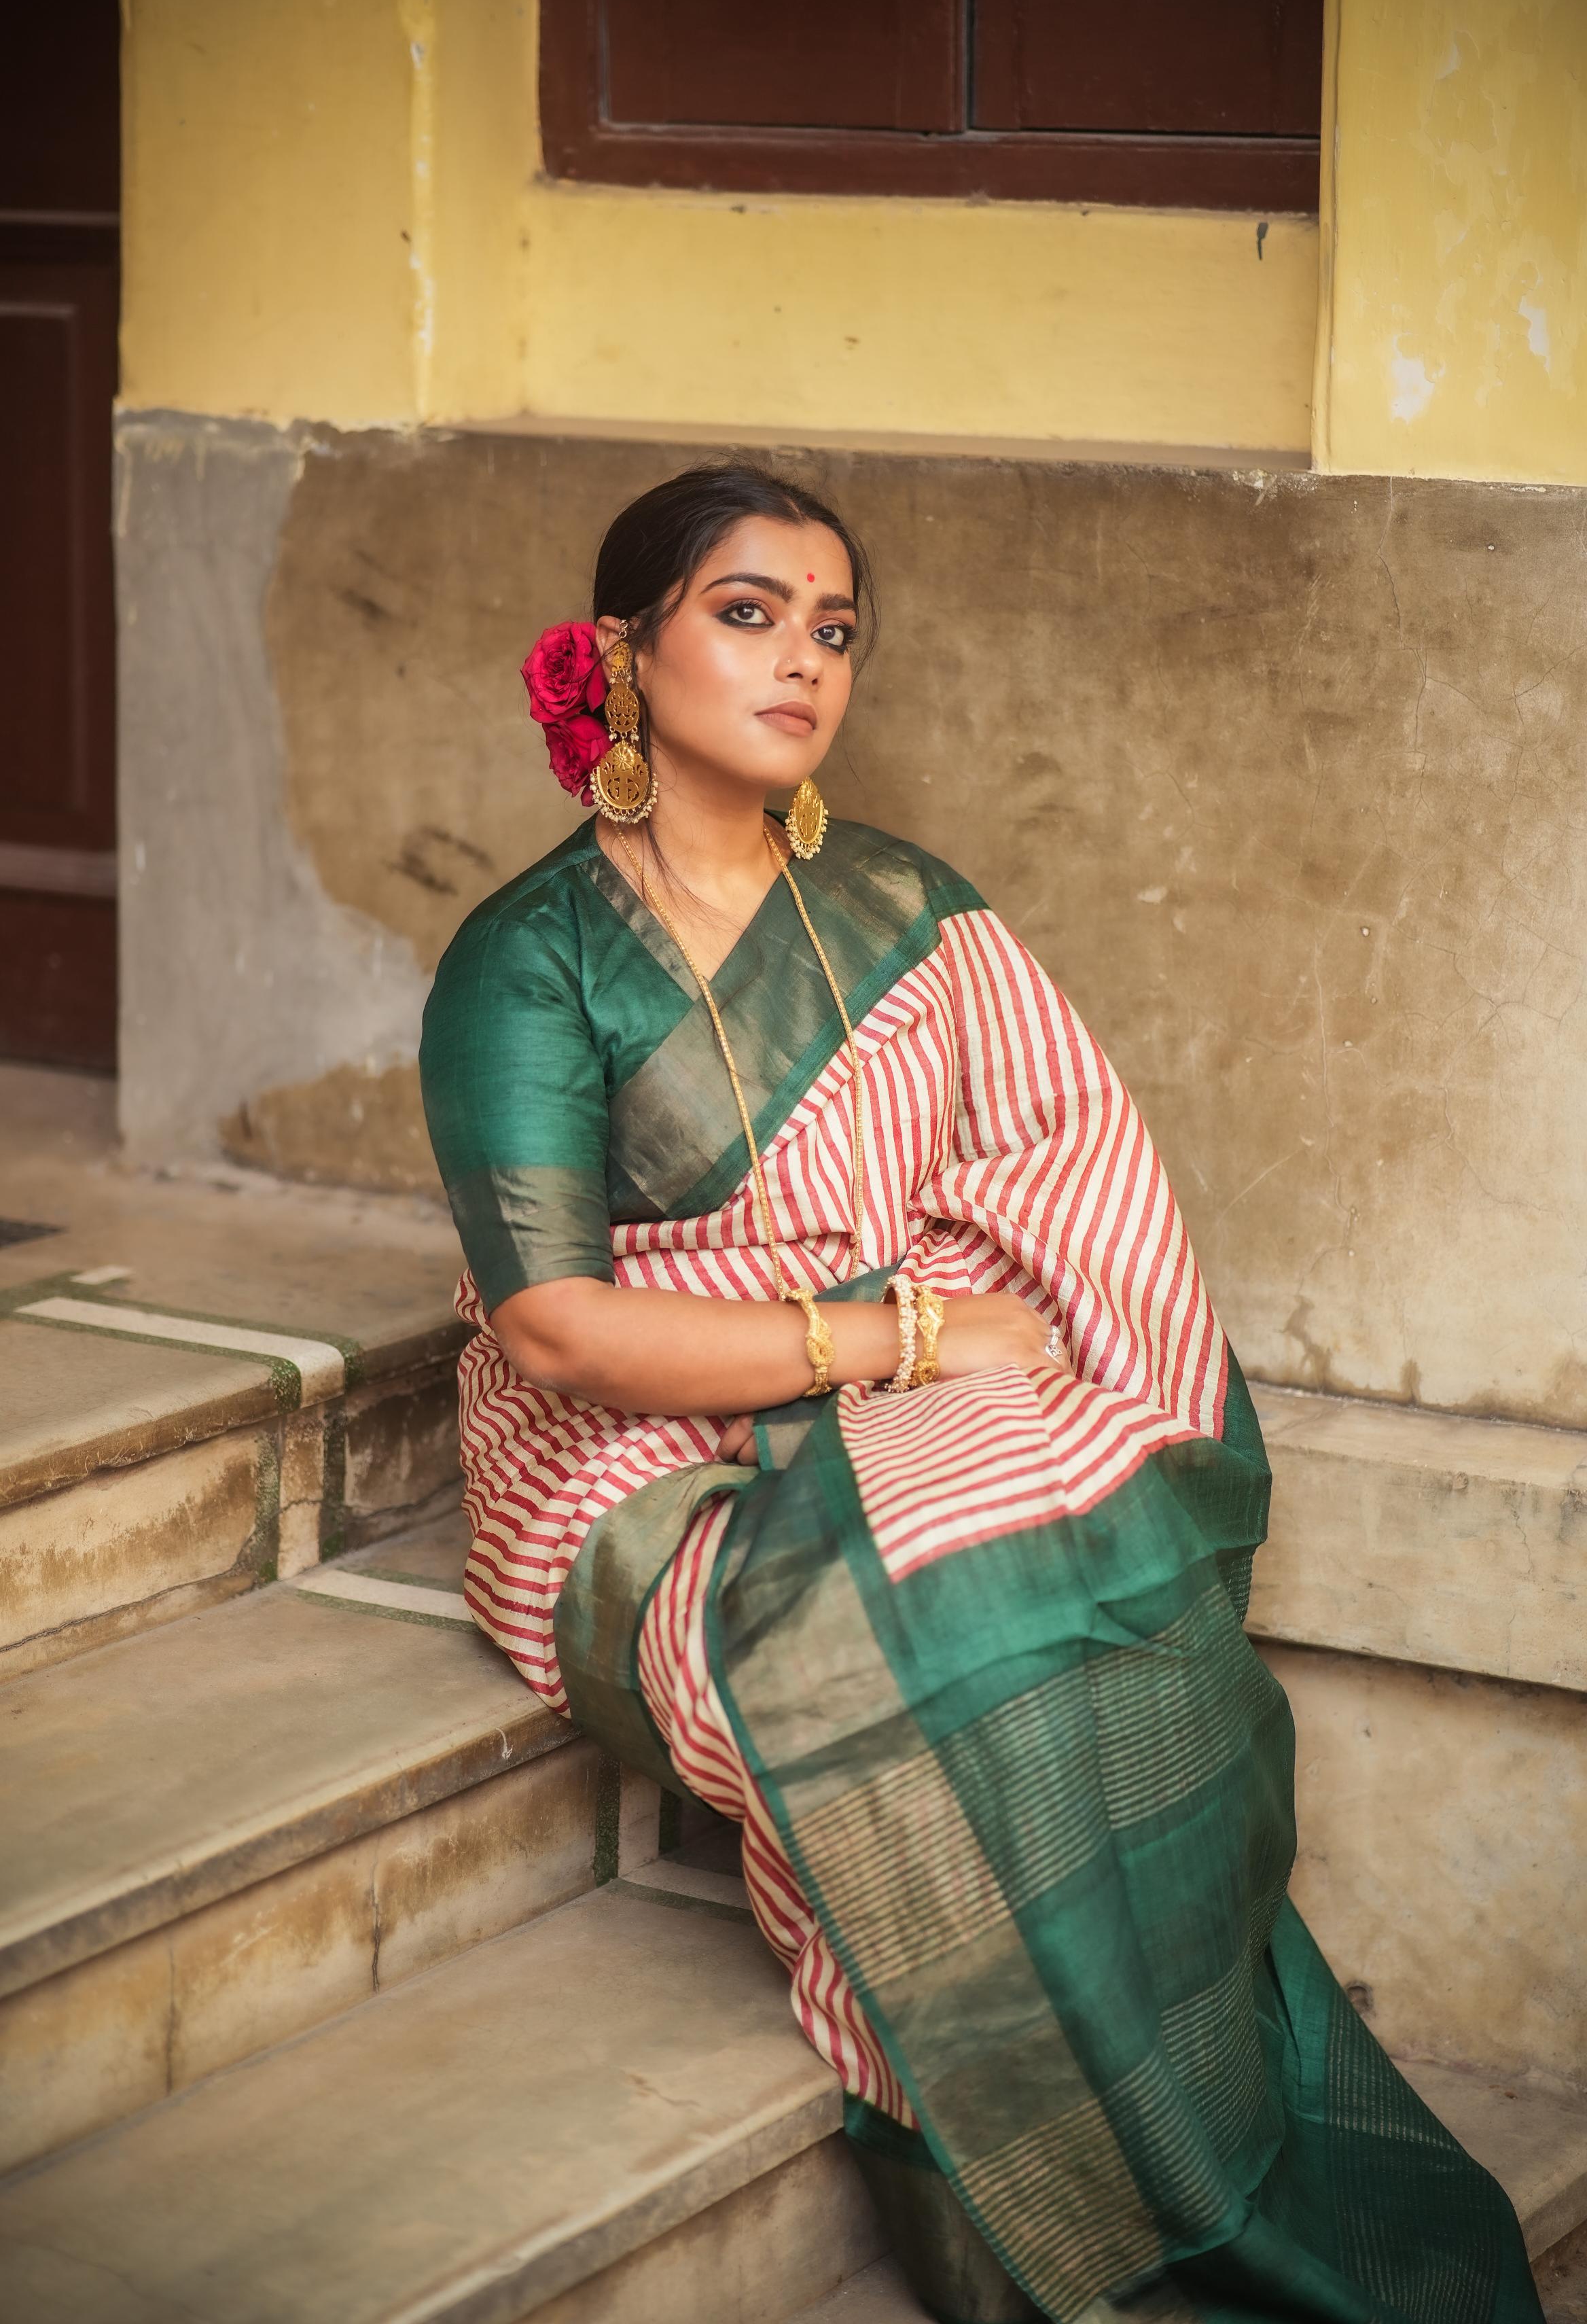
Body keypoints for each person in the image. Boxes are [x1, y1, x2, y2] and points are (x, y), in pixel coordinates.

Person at [418, 463, 1541, 2324]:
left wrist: (993, 1345)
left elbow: (1063, 1156)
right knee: (920, 1623)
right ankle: (1069, 2218)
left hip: (920, 1360)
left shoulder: (905, 911)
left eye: (835, 629)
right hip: (641, 1448)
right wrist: (892, 1344)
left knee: (1076, 1542)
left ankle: (1215, 2131)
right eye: (749, 612)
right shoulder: (527, 963)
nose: (804, 663)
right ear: (621, 655)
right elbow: (552, 1331)